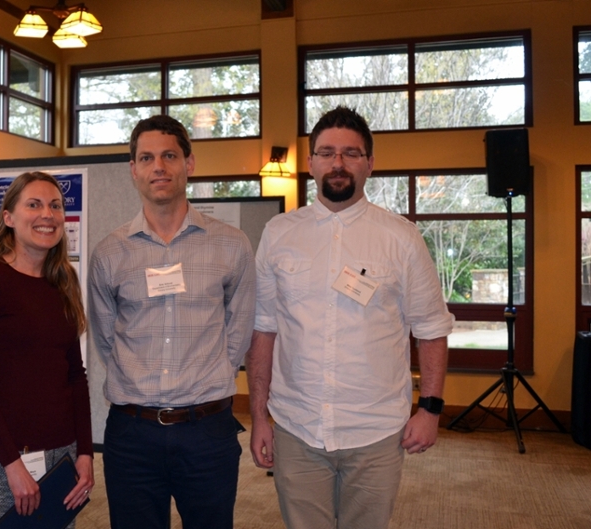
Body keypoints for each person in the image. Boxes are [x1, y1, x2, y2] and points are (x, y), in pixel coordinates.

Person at [247, 106, 453, 529]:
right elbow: (264, 329)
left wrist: (430, 409)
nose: (337, 163)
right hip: (296, 426)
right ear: (311, 163)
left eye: (351, 153)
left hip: (375, 431)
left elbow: (431, 328)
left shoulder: (401, 238)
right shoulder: (279, 234)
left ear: (370, 164)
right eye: (326, 153)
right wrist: (259, 417)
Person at [88, 115, 256, 529]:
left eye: (168, 156)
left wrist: (209, 374)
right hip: (132, 433)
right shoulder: (109, 252)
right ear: (133, 170)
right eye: (146, 158)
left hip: (207, 431)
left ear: (189, 164)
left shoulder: (231, 244)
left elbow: (239, 329)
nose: (158, 167)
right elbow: (106, 336)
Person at [0, 171, 94, 529]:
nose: (47, 214)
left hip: (60, 455)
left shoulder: (62, 281)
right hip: (0, 458)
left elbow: (75, 376)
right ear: (9, 218)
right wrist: (12, 465)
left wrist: (85, 452)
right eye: (33, 205)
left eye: (55, 205)